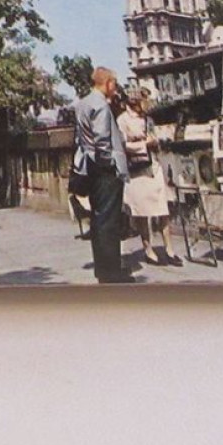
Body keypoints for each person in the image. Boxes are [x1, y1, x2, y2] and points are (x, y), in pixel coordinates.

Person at [74, 66, 132, 283]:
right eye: (114, 84)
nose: (115, 88)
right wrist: (109, 164)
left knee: (99, 221)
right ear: (107, 83)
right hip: (105, 169)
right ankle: (112, 273)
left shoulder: (82, 103)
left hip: (90, 167)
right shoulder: (100, 105)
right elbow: (102, 139)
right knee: (109, 222)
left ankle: (104, 269)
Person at [116, 88, 181, 268]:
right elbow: (121, 144)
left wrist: (157, 141)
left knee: (162, 206)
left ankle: (169, 249)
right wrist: (142, 143)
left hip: (153, 165)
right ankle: (148, 249)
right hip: (137, 168)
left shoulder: (148, 119)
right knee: (143, 210)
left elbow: (154, 136)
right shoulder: (123, 120)